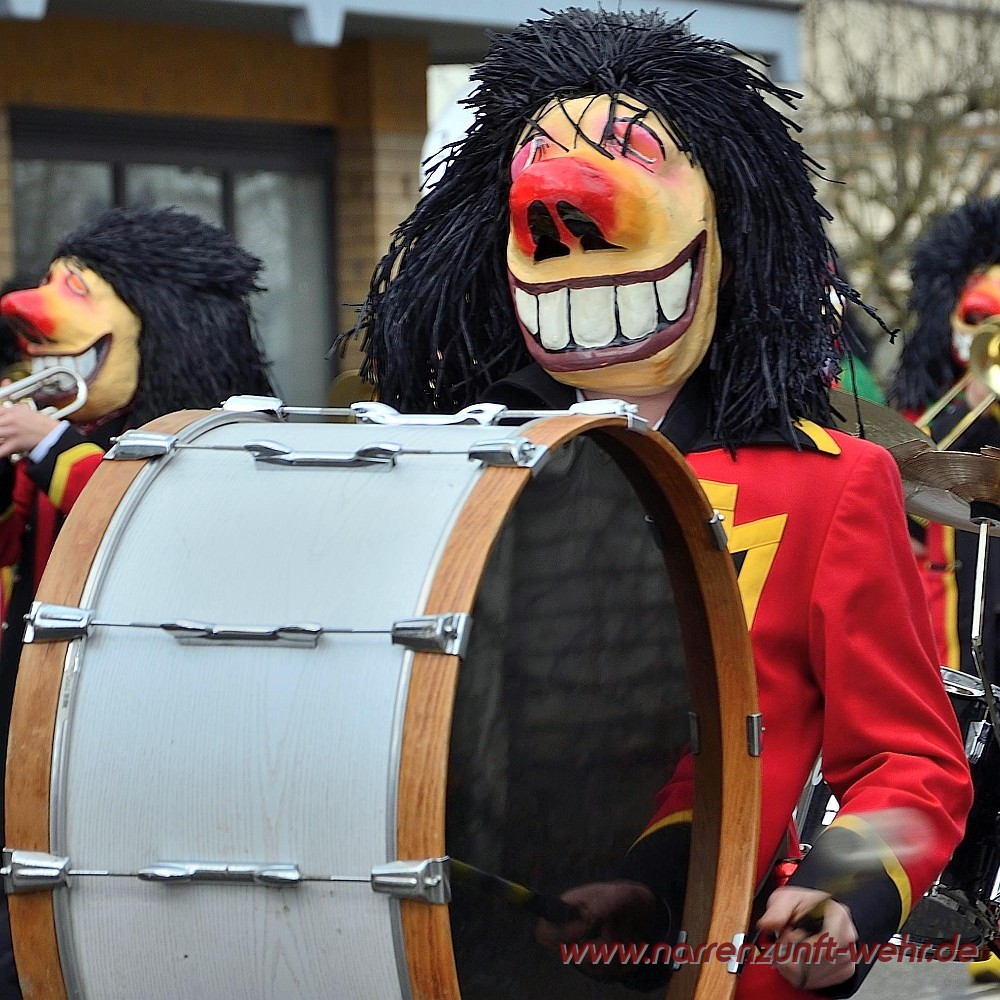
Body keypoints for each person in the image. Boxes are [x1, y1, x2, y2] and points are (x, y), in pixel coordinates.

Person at [345, 8, 973, 997]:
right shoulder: (452, 474)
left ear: (733, 223)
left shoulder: (826, 484)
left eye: (635, 156)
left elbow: (908, 761)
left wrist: (843, 893)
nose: (563, 209)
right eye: (538, 168)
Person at [0, 205, 275, 999]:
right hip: (33, 718)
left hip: (138, 737)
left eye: (79, 290)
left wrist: (47, 446)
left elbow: (149, 521)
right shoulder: (56, 435)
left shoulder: (225, 433)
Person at [891, 197, 1000, 684]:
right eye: (978, 320)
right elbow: (905, 519)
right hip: (948, 610)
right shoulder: (923, 417)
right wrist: (969, 403)